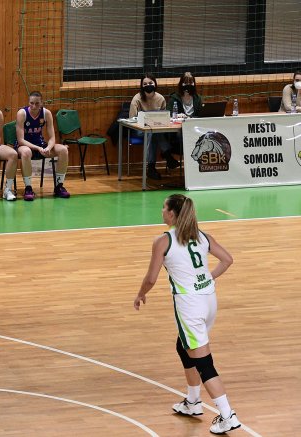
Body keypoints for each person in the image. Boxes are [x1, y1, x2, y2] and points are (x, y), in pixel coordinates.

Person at [133, 194, 241, 435]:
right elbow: (228, 260)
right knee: (184, 347)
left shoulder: (163, 240)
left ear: (172, 214)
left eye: (164, 207)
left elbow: (151, 278)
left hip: (190, 304)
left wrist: (140, 294)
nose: (161, 211)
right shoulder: (201, 235)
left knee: (204, 363)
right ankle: (193, 402)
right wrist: (206, 278)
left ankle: (227, 415)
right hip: (209, 300)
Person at [15, 91, 70, 201]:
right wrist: (38, 148)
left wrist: (48, 148)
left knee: (63, 150)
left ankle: (59, 186)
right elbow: (20, 140)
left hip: (40, 144)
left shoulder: (46, 113)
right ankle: (28, 188)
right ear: (28, 102)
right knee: (26, 152)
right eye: (31, 103)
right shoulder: (22, 113)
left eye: (37, 103)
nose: (34, 106)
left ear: (41, 103)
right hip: (25, 145)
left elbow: (52, 138)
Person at [129, 74, 174, 180]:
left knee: (153, 132)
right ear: (141, 86)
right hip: (139, 129)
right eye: (145, 84)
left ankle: (151, 168)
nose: (148, 85)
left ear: (155, 84)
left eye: (150, 83)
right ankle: (167, 155)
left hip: (156, 129)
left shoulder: (160, 98)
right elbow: (132, 119)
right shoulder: (137, 99)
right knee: (151, 132)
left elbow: (165, 117)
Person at [167, 72, 203, 157]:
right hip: (179, 131)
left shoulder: (198, 98)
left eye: (190, 83)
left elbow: (201, 115)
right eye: (186, 83)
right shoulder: (174, 98)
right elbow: (168, 114)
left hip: (195, 128)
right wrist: (178, 116)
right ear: (181, 84)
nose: (188, 85)